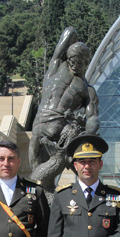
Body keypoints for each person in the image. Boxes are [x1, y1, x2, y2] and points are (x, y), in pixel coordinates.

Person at [28, 26, 99, 194]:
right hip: (39, 128)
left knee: (75, 166)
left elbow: (93, 118)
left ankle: (94, 197)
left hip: (61, 132)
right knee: (37, 178)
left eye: (80, 62)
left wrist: (84, 137)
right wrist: (76, 46)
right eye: (72, 61)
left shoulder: (87, 89)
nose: (75, 65)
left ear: (86, 63)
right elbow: (69, 32)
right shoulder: (55, 68)